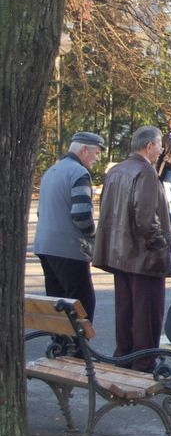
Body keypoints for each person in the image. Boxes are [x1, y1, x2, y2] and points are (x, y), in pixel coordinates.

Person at [94, 126, 171, 371]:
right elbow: (146, 218)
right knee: (147, 312)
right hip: (143, 255)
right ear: (149, 146)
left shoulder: (116, 171)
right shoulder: (145, 172)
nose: (161, 150)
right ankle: (144, 360)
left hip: (119, 253)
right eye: (160, 145)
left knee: (126, 308)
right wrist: (160, 247)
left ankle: (125, 354)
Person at [33, 132, 105, 322]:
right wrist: (93, 236)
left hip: (45, 246)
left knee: (58, 303)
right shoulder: (79, 173)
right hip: (68, 248)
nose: (97, 159)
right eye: (96, 153)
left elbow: (41, 212)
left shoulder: (52, 171)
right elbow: (81, 216)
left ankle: (60, 346)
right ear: (84, 150)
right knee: (82, 305)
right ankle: (77, 350)